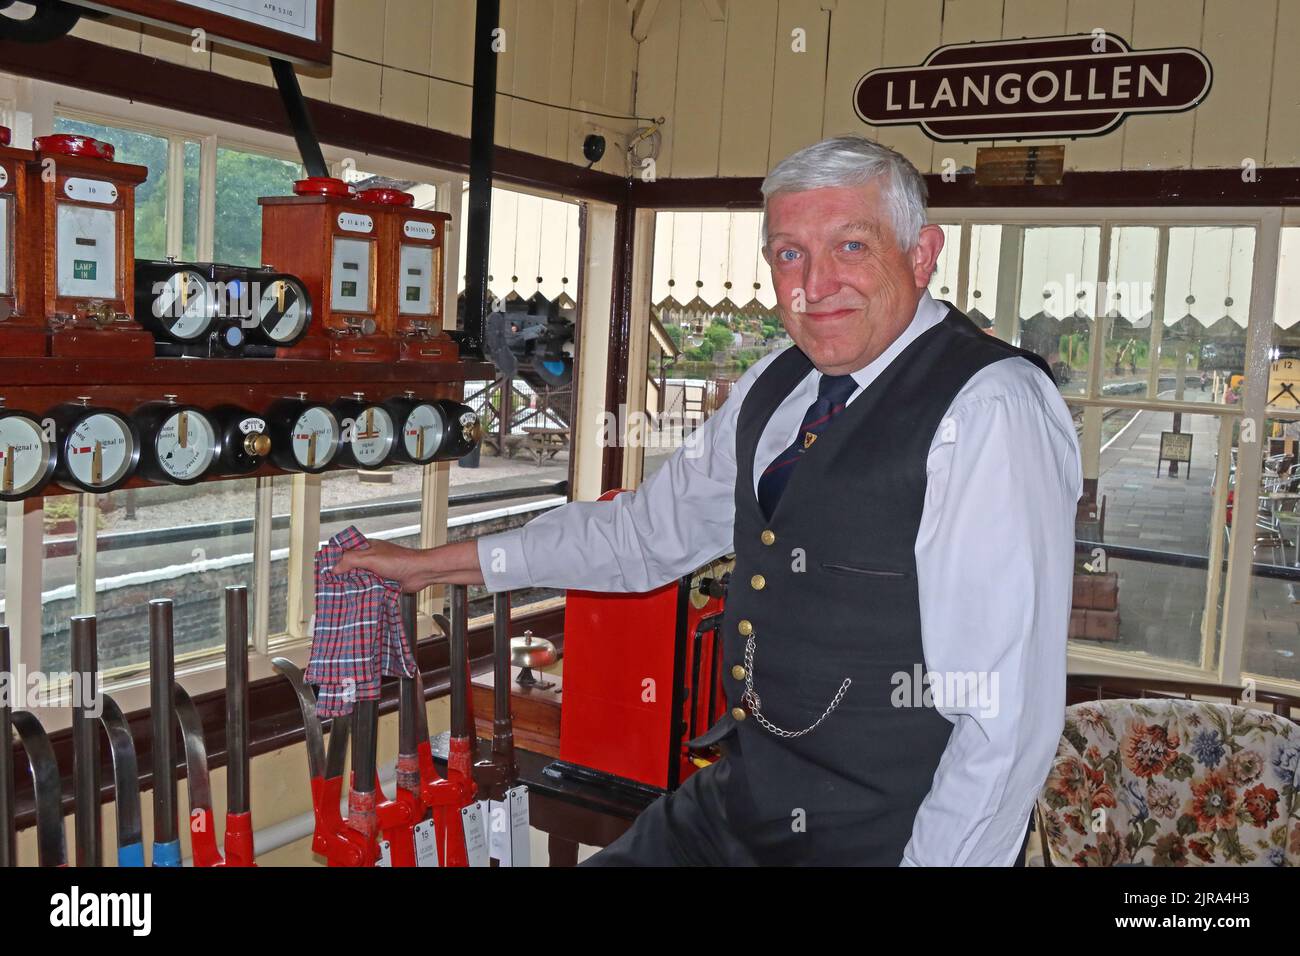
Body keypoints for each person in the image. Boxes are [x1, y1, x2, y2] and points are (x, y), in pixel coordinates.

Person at [331, 135, 1083, 866]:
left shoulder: (990, 408)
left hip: (887, 835)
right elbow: (642, 536)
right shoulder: (777, 383)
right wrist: (434, 565)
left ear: (921, 256)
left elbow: (1003, 717)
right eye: (790, 253)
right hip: (742, 801)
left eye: (851, 247)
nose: (813, 285)